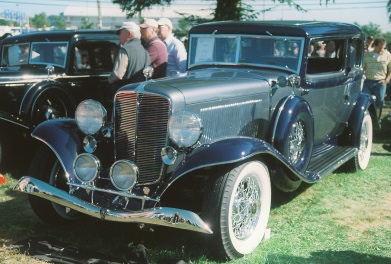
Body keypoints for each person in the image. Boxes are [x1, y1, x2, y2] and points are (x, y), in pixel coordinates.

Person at [108, 21, 150, 91]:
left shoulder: (125, 49)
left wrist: (109, 80)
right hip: (141, 92)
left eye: (120, 33)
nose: (119, 36)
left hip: (126, 92)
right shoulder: (145, 51)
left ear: (129, 34)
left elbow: (118, 74)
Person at [363, 37, 391, 115]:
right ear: (374, 45)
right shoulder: (367, 54)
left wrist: (386, 80)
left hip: (380, 83)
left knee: (379, 103)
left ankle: (378, 120)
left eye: (383, 48)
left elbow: (390, 70)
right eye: (379, 48)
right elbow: (363, 69)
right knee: (365, 101)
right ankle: (367, 118)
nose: (381, 50)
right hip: (367, 82)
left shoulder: (387, 54)